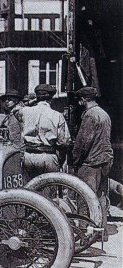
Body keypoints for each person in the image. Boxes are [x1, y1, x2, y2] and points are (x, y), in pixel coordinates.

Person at [72, 86, 113, 234]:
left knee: (84, 196)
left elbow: (83, 141)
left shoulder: (90, 115)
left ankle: (83, 230)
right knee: (101, 196)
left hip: (91, 162)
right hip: (104, 160)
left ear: (83, 100)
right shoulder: (104, 114)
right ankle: (101, 229)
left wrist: (74, 160)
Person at [16, 84, 71, 178]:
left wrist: (31, 101)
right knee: (48, 190)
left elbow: (14, 109)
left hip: (29, 155)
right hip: (48, 156)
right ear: (51, 98)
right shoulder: (57, 115)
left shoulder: (25, 111)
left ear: (37, 97)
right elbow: (64, 142)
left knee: (29, 190)